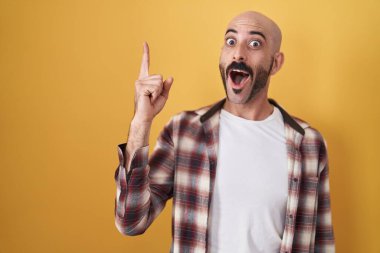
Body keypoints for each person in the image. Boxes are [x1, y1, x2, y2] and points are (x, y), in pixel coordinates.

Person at [114, 11, 335, 253]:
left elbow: (321, 243)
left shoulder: (309, 144)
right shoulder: (184, 131)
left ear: (276, 62)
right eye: (231, 41)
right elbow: (131, 222)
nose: (238, 52)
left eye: (254, 43)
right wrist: (140, 123)